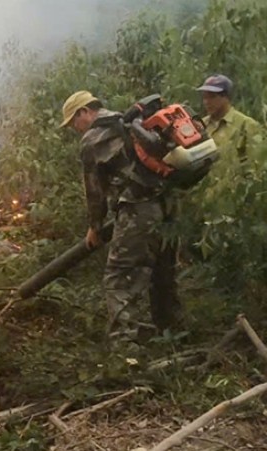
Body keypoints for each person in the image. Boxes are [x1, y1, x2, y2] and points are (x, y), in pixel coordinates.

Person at [59, 90, 180, 342]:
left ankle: (124, 347)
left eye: (74, 122)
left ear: (85, 112)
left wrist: (94, 226)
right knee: (162, 271)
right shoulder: (127, 122)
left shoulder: (93, 138)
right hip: (168, 206)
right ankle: (172, 333)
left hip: (139, 209)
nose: (75, 129)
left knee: (118, 277)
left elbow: (95, 191)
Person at [196, 74, 261, 161]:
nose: (207, 102)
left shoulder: (246, 125)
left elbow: (255, 162)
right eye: (205, 97)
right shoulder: (201, 125)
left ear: (226, 97)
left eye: (212, 97)